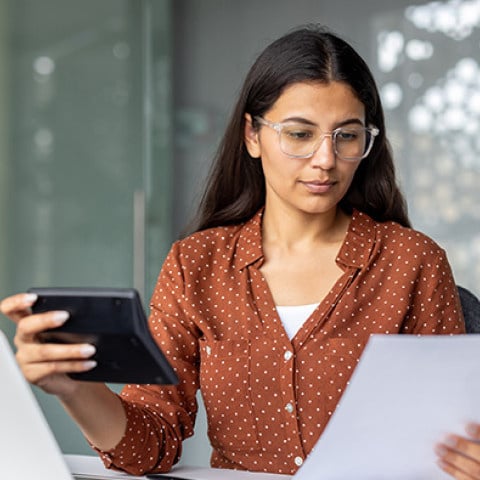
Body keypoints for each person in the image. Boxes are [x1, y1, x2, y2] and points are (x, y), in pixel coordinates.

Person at [1, 24, 479, 479]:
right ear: (252, 135)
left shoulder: (412, 262)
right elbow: (150, 444)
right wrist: (73, 387)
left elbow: (448, 434)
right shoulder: (196, 266)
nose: (326, 159)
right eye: (299, 134)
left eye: (347, 135)